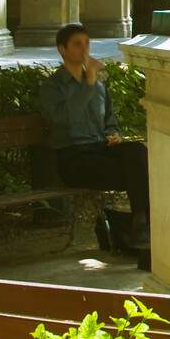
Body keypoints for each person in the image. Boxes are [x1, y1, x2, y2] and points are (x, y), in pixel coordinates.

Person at [40, 23, 152, 262]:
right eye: (77, 44)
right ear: (62, 49)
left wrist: (113, 134)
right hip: (74, 158)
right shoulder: (52, 87)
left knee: (137, 152)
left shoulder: (98, 86)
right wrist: (88, 84)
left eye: (87, 43)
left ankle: (140, 223)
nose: (84, 49)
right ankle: (141, 228)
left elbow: (109, 120)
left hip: (101, 149)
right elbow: (63, 120)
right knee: (142, 173)